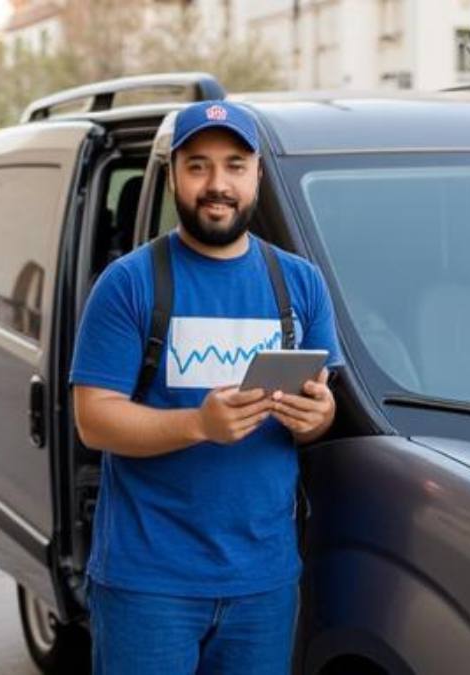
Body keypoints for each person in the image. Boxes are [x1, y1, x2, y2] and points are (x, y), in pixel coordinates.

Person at [70, 100, 343, 674]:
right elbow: (93, 419)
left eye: (234, 166)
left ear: (258, 175)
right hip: (148, 582)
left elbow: (324, 411)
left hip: (263, 582)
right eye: (198, 166)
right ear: (173, 175)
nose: (217, 184)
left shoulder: (301, 284)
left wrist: (314, 415)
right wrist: (199, 424)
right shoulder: (128, 284)